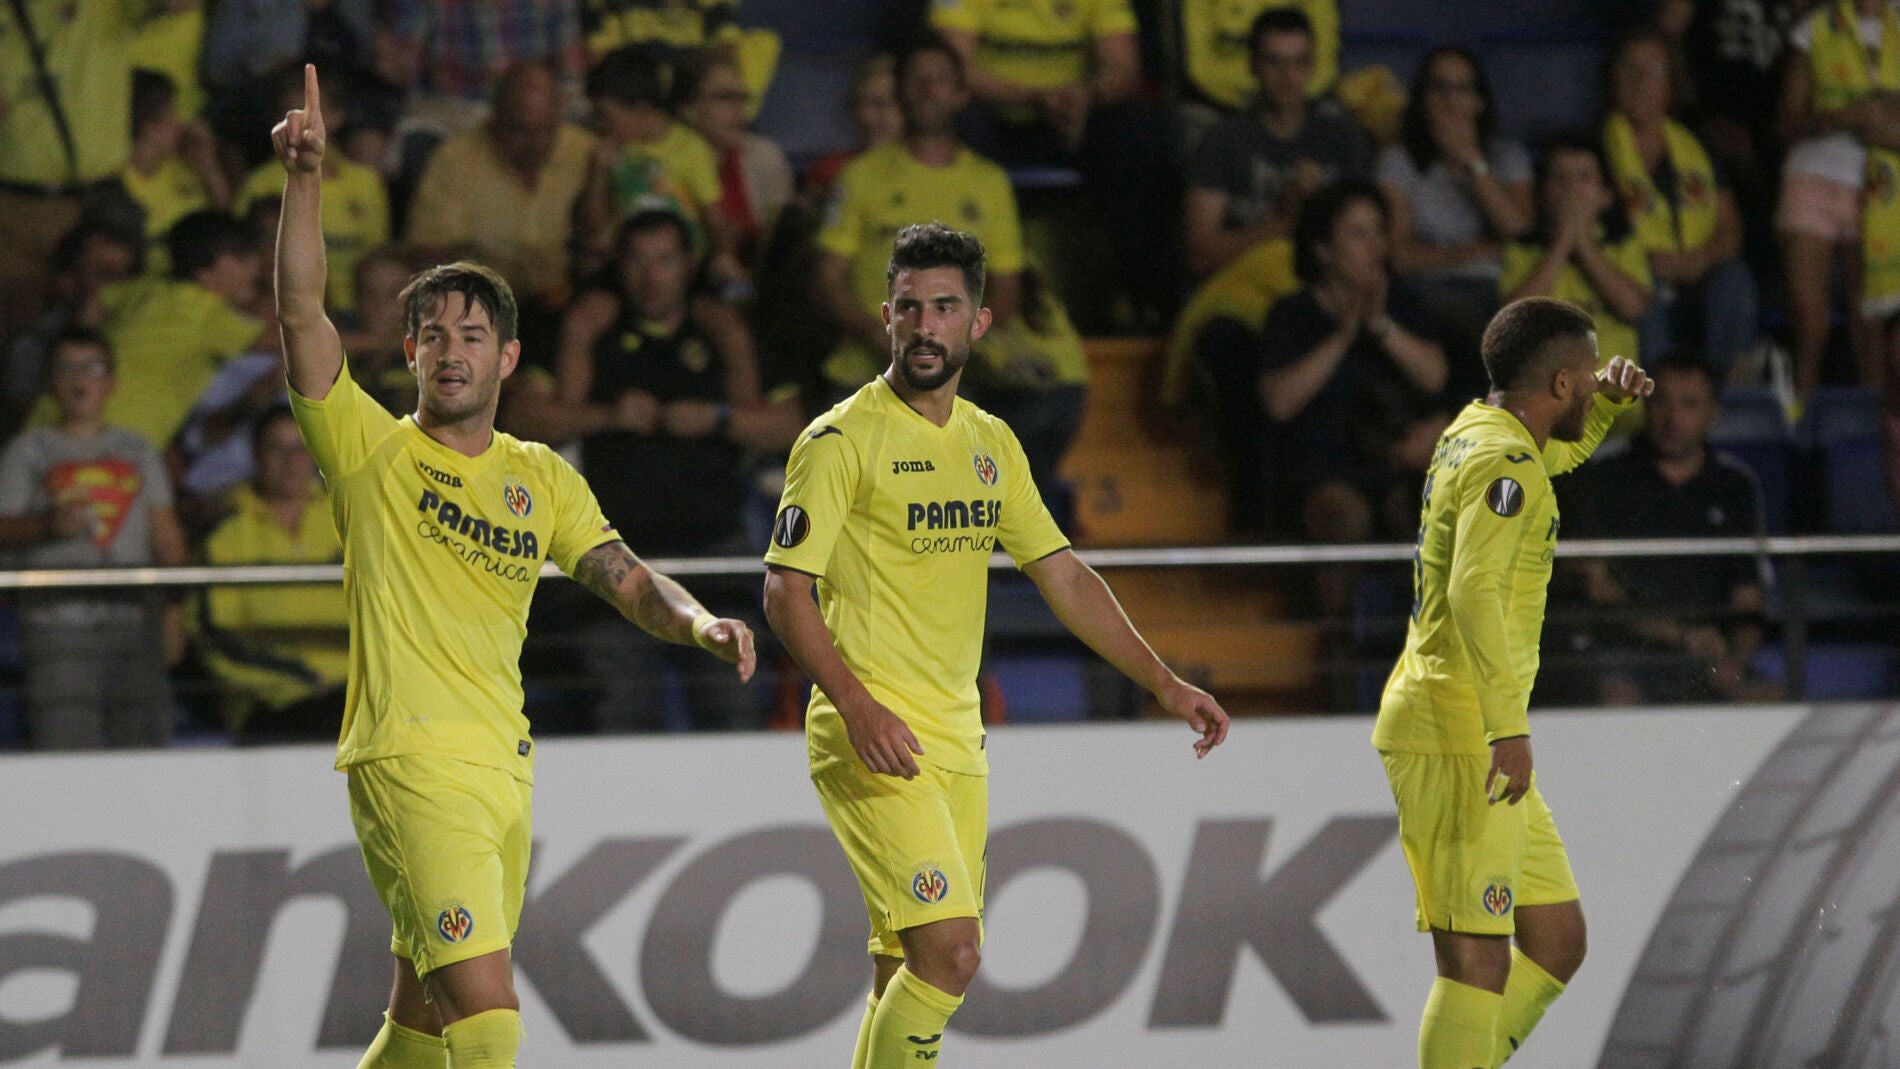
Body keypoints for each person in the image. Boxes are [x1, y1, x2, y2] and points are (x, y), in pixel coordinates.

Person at [271, 65, 754, 1068]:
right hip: (410, 761)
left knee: (419, 1024)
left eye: (472, 335)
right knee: (489, 1022)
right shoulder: (368, 450)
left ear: (508, 360)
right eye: (432, 336)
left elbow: (627, 576)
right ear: (410, 353)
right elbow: (303, 312)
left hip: (504, 768)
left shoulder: (541, 477)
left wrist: (699, 623)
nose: (451, 351)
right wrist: (306, 180)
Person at [761, 222, 1230, 1069]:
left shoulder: (990, 444)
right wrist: (857, 705)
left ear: (978, 322)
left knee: (903, 966)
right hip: (871, 733)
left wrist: (1163, 681)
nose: (924, 325)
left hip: (957, 736)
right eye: (909, 307)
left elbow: (1065, 576)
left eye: (944, 307)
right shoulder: (840, 441)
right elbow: (784, 590)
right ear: (885, 316)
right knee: (953, 954)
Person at [1375, 296, 1653, 1069]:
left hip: (1464, 724)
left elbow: (1544, 464)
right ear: (1560, 383)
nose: (1596, 383)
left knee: (1557, 940)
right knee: (1477, 961)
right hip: (1459, 729)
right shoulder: (1507, 462)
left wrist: (1606, 410)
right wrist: (1508, 728)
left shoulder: (1477, 431)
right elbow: (1471, 590)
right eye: (1589, 376)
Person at [514, 209, 791, 732]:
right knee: (621, 704)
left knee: (732, 702)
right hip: (615, 558)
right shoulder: (590, 327)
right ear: (619, 265)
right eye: (637, 261)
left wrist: (718, 419)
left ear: (689, 264)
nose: (651, 276)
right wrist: (607, 416)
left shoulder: (722, 330)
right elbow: (523, 418)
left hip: (712, 551)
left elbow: (790, 425)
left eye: (665, 260)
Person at [0, 328, 188, 750]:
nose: (80, 379)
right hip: (56, 628)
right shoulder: (28, 450)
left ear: (112, 383)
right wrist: (47, 525)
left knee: (141, 753)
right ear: (50, 381)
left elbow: (166, 537)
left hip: (135, 622)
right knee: (68, 752)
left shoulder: (138, 450)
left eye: (93, 368)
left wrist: (173, 615)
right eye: (67, 368)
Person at [815, 39, 1025, 399]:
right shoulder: (860, 175)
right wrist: (879, 336)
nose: (928, 90)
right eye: (917, 80)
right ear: (899, 92)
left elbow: (1006, 287)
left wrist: (957, 347)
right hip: (864, 376)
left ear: (962, 93)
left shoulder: (989, 182)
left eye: (940, 79)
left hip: (955, 380)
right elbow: (827, 278)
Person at [1558, 354, 1772, 704]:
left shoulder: (1735, 484)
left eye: (1689, 405)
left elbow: (1748, 596)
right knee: (1616, 699)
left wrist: (1734, 660)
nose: (1672, 419)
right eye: (1661, 402)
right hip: (1627, 651)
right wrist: (1680, 636)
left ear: (1713, 413)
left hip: (1711, 655)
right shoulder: (1605, 476)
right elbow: (1597, 586)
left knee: (1769, 698)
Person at [1257, 179, 1449, 546]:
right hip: (1321, 471)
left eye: (1379, 231)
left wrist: (1381, 327)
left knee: (1431, 505)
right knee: (1345, 514)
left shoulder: (1402, 303)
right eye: (1358, 234)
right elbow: (1278, 403)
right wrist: (1342, 337)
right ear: (1322, 249)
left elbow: (1434, 377)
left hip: (1393, 463)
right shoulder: (1292, 314)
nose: (1375, 246)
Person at [1603, 28, 1758, 375]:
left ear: (1670, 84)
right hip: (1632, 276)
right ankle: (1657, 394)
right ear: (1612, 79)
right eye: (1629, 68)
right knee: (1641, 284)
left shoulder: (1695, 147)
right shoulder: (1595, 148)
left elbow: (1730, 227)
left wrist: (1698, 259)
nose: (1640, 81)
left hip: (1696, 274)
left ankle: (1725, 392)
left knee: (1734, 278)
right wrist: (1644, 261)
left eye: (1653, 70)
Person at [1379, 45, 1533, 392]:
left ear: (1479, 101)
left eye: (1462, 89)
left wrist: (1474, 164)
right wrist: (1476, 252)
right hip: (1429, 289)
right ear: (1422, 100)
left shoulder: (1506, 156)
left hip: (1503, 287)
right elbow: (1399, 258)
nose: (1451, 101)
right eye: (1439, 88)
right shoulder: (1399, 162)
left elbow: (1520, 232)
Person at [196, 404, 349, 741]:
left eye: (300, 447)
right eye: (276, 448)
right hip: (270, 704)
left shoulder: (351, 517)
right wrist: (297, 678)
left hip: (362, 694)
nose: (291, 461)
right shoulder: (226, 534)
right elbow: (214, 636)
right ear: (255, 455)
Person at [1183, 7, 1372, 279]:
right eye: (1274, 62)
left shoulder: (1340, 136)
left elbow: (1369, 240)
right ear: (1253, 65)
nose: (1288, 76)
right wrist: (1283, 223)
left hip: (1325, 286)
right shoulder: (1225, 139)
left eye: (1299, 62)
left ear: (1312, 66)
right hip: (1245, 283)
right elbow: (1199, 256)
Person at [1777, 0, 1900, 411]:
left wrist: (1884, 132)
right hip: (1812, 178)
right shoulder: (1816, 26)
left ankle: (1874, 426)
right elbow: (1786, 122)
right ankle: (1798, 416)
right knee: (1808, 320)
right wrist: (1842, 117)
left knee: (1872, 323)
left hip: (1882, 192)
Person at [405, 62, 597, 311]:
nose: (535, 144)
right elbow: (428, 251)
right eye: (520, 130)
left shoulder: (586, 153)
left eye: (546, 130)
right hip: (482, 306)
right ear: (495, 117)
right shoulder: (455, 160)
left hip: (571, 303)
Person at [235, 68, 390, 314]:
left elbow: (376, 254)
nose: (296, 125)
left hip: (355, 311)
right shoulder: (261, 183)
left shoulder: (366, 183)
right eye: (287, 115)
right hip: (288, 310)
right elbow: (247, 258)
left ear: (336, 116)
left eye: (307, 115)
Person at [1501, 135, 1654, 378]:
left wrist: (1582, 243)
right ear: (1543, 193)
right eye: (1559, 178)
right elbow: (1515, 320)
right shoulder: (1523, 249)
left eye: (1584, 177)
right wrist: (1562, 243)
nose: (1571, 188)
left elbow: (1633, 308)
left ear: (1606, 195)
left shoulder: (1623, 245)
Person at [122, 69, 231, 269]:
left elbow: (223, 224)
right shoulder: (118, 184)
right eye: (172, 114)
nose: (181, 124)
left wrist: (209, 168)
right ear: (150, 126)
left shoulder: (186, 166)